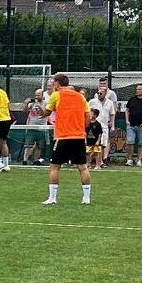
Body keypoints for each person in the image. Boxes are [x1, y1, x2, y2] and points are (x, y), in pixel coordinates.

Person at [43, 73, 92, 205]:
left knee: (54, 167)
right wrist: (81, 129)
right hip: (79, 136)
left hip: (63, 136)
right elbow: (87, 117)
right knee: (82, 167)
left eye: (54, 83)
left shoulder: (56, 95)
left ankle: (52, 198)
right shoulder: (80, 96)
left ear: (58, 83)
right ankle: (86, 198)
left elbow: (46, 113)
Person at [123, 84, 142, 166]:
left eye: (139, 89)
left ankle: (139, 160)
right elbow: (127, 110)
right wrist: (127, 120)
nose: (137, 91)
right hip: (131, 125)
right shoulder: (132, 99)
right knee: (129, 141)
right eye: (136, 89)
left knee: (141, 143)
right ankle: (129, 160)